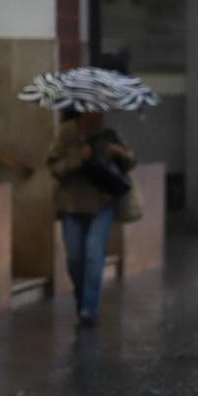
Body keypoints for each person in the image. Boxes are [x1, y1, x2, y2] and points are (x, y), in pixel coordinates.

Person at [47, 110, 136, 327]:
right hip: (72, 204)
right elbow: (54, 167)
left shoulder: (109, 131)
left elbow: (131, 160)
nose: (98, 115)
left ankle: (89, 309)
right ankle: (82, 300)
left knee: (94, 255)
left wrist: (119, 152)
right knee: (75, 259)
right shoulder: (66, 132)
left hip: (102, 203)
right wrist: (79, 158)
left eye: (101, 111)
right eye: (94, 111)